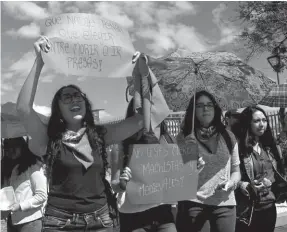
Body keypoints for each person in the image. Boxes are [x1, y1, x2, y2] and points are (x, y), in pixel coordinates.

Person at [16, 36, 144, 232]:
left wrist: (137, 76)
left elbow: (140, 120)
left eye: (78, 96)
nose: (74, 99)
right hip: (59, 222)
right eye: (66, 97)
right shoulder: (49, 139)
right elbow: (24, 109)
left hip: (101, 220)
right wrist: (39, 61)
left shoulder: (100, 135)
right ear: (58, 109)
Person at [176, 90, 241, 232]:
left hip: (225, 204)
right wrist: (191, 164)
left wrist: (232, 183)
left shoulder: (228, 136)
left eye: (209, 104)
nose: (205, 109)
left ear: (215, 108)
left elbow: (236, 171)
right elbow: (178, 175)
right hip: (193, 204)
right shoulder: (183, 137)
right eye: (199, 105)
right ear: (193, 111)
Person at [110, 98, 177, 232]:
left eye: (150, 110)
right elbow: (115, 184)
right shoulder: (121, 143)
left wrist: (194, 169)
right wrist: (122, 183)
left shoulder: (167, 140)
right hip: (134, 217)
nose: (146, 114)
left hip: (164, 214)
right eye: (140, 111)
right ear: (132, 116)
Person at [236, 106, 286, 232]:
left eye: (264, 120)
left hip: (269, 207)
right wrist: (243, 185)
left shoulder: (270, 147)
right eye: (257, 121)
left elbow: (280, 172)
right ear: (248, 123)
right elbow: (229, 175)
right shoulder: (239, 149)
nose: (262, 124)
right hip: (248, 210)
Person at [5, 137, 47, 232]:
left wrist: (20, 206)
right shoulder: (11, 168)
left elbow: (42, 196)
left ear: (23, 147)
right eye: (7, 148)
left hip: (30, 222)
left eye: (14, 147)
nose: (10, 151)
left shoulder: (33, 167)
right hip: (12, 221)